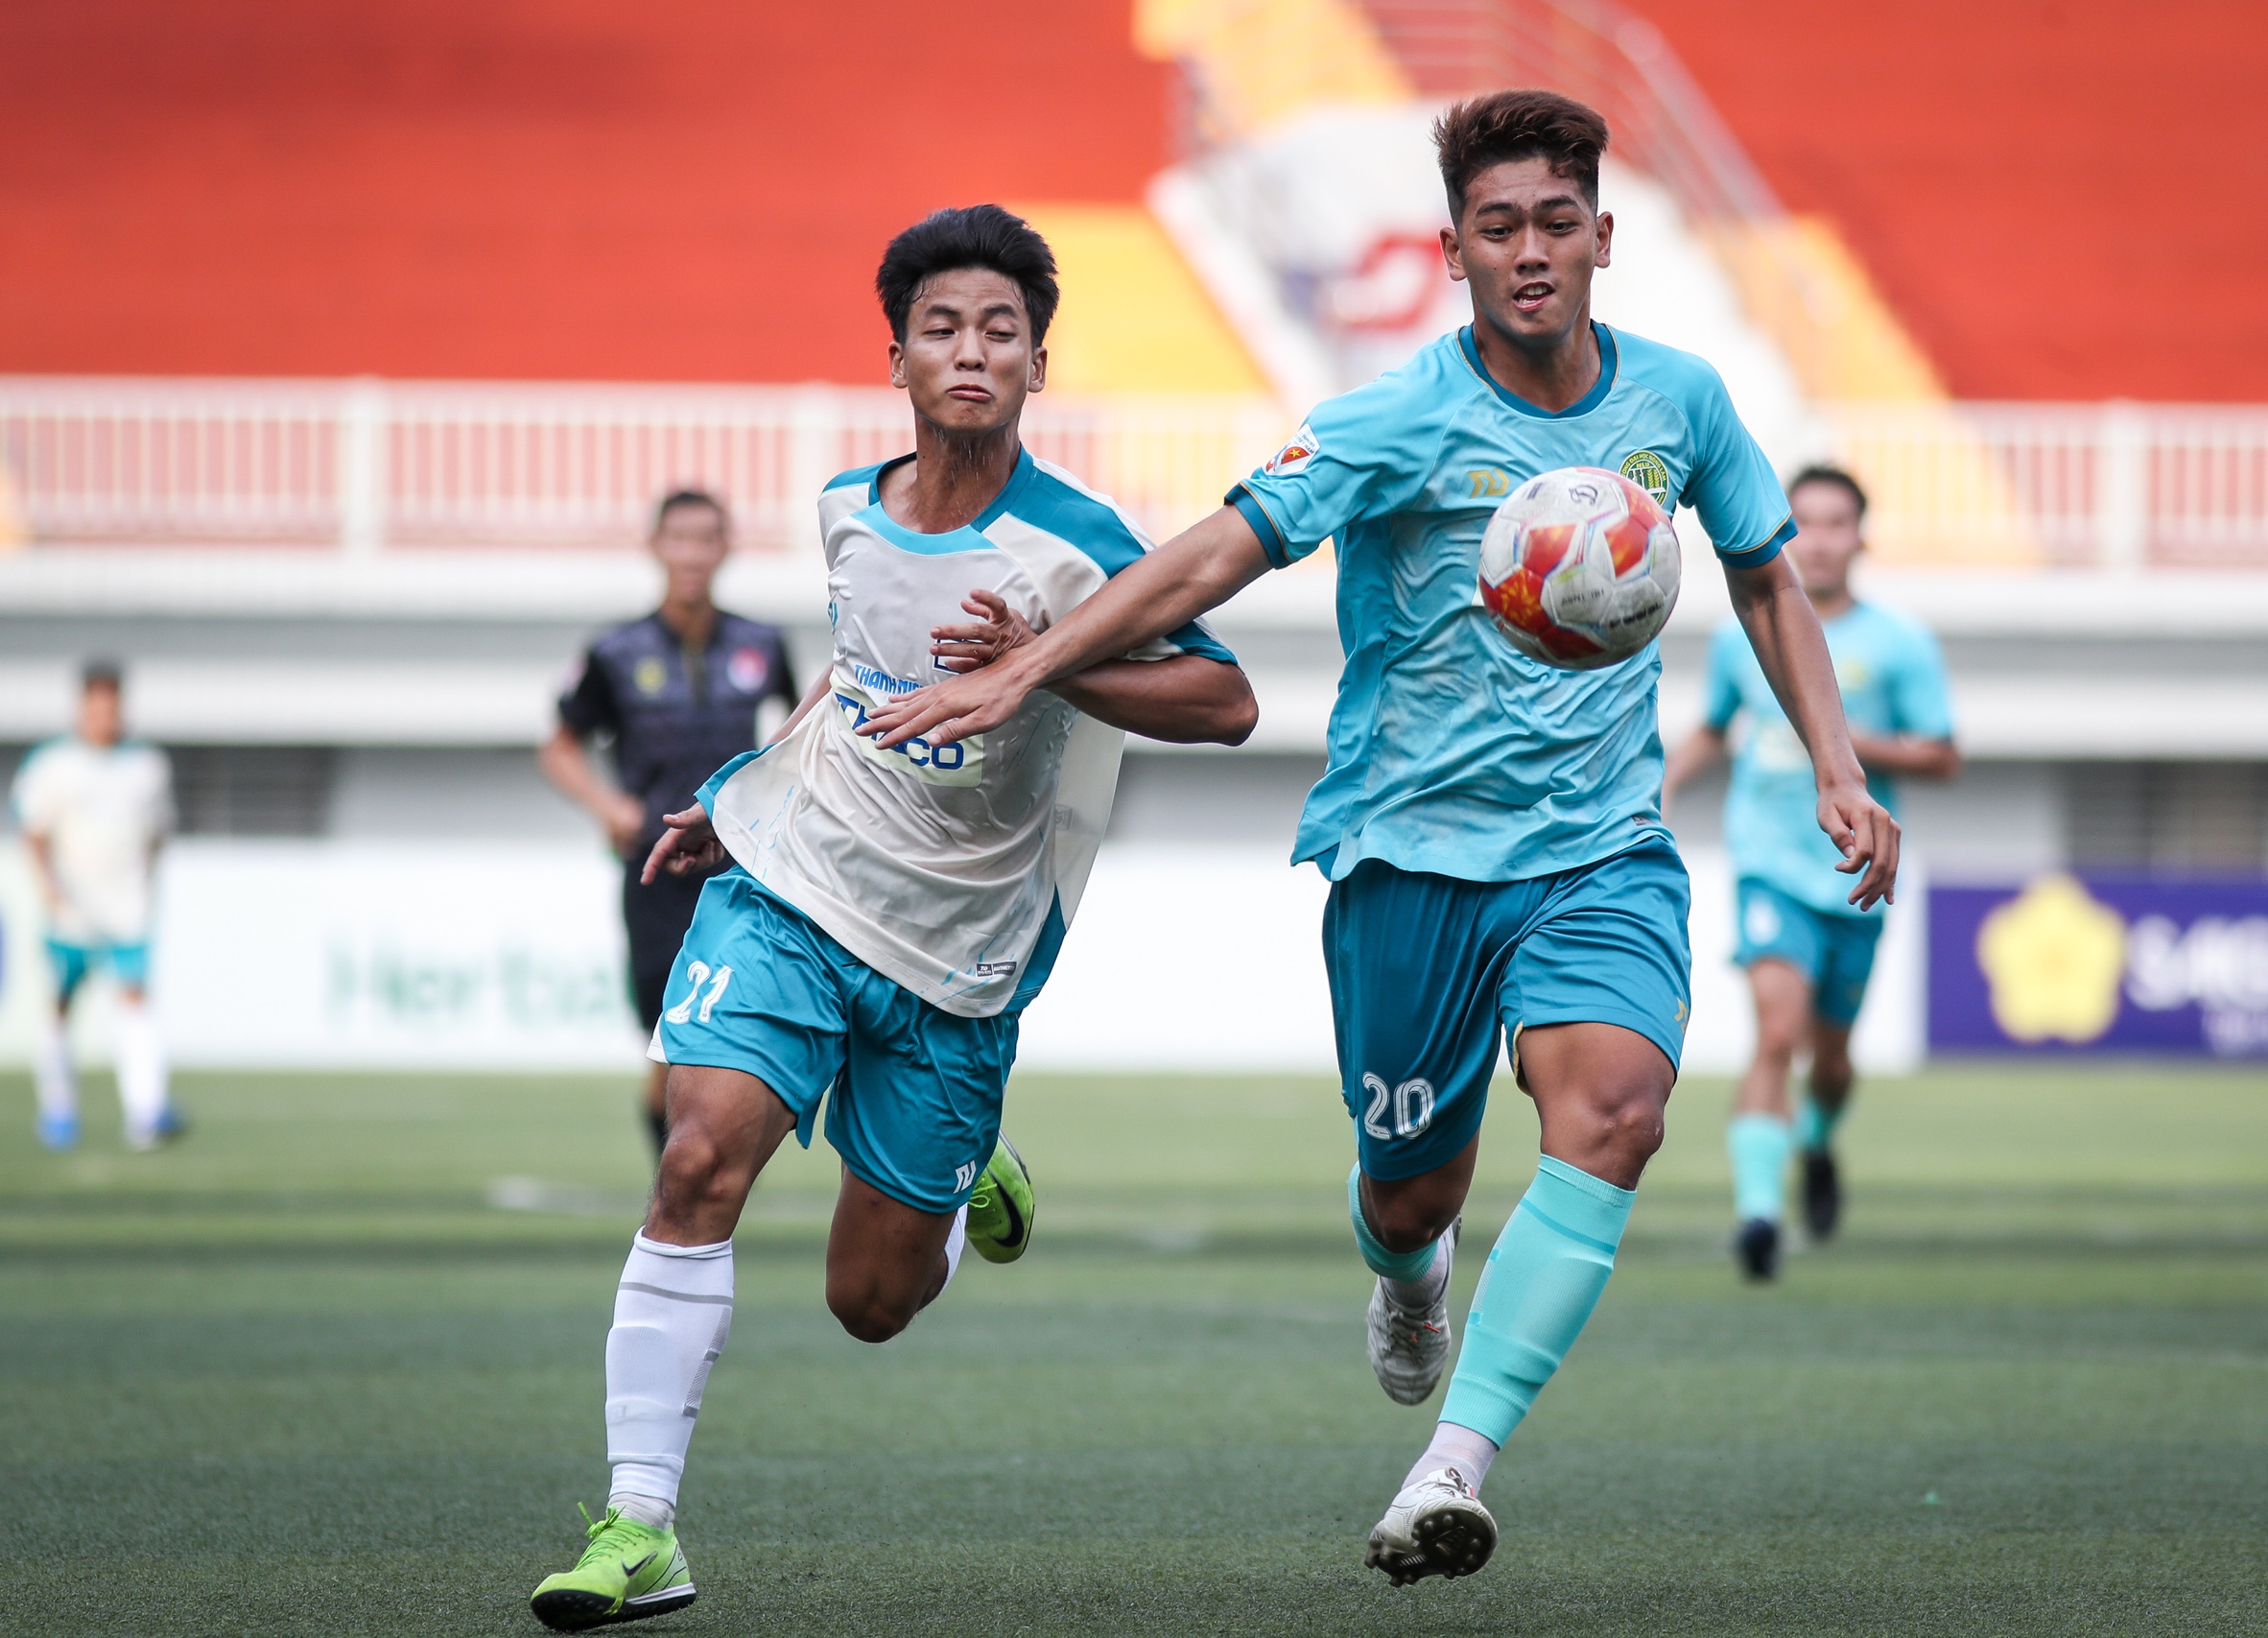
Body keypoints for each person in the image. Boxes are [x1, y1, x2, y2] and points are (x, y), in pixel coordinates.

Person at [858, 93, 1899, 1586]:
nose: (1529, 251)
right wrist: (1030, 663)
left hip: (1600, 850)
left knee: (1612, 1111)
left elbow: (1764, 575)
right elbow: (1222, 544)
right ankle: (1409, 1271)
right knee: (1412, 1188)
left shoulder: (1684, 402)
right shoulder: (1393, 417)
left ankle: (1451, 1464)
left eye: (1556, 222)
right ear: (1453, 247)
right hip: (1408, 858)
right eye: (1498, 226)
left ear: (1602, 237)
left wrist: (1836, 765)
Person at [526, 204, 1256, 1631]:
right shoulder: (847, 512)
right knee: (694, 1153)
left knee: (870, 1297)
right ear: (899, 358)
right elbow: (852, 682)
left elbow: (1225, 703)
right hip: (796, 878)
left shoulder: (1078, 541)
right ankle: (639, 1521)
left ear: (1039, 364)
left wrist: (1045, 666)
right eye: (942, 327)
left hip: (959, 952)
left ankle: (971, 1159)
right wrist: (743, 789)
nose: (970, 350)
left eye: (1000, 329)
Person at [1665, 464, 1957, 1281]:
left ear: (1862, 536)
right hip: (1767, 862)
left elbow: (1942, 753)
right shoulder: (1741, 633)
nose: (1821, 539)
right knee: (1777, 1034)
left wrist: (1847, 740)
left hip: (1855, 871)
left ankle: (1819, 1142)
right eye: (1807, 522)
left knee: (1830, 1058)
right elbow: (1716, 726)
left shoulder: (1899, 642)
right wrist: (1667, 779)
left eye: (1837, 523)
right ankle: (1759, 1214)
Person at [541, 490, 798, 1153]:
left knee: (731, 1036)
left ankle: (701, 1176)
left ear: (726, 548)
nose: (692, 553)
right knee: (667, 1039)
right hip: (655, 871)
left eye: (706, 538)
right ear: (656, 546)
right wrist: (610, 807)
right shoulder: (616, 651)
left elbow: (799, 738)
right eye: (679, 538)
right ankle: (676, 1185)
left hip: (738, 872)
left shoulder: (762, 645)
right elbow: (560, 746)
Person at [11, 661, 182, 1151]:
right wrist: (49, 885)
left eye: (112, 707)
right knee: (61, 1007)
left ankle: (146, 1112)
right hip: (70, 910)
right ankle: (59, 1108)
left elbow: (158, 833)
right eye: (96, 707)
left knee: (134, 998)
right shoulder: (52, 763)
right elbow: (34, 830)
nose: (104, 717)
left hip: (126, 910)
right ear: (81, 707)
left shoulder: (146, 764)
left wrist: (144, 886)